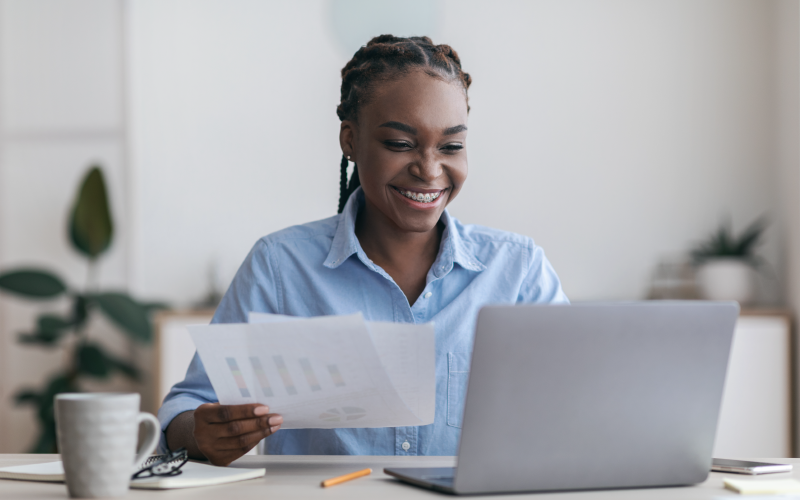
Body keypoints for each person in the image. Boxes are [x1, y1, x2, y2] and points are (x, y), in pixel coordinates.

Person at [159, 35, 568, 466]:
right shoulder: (280, 268)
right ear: (350, 140)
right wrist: (203, 434)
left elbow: (578, 400)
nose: (429, 170)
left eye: (451, 146)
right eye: (399, 143)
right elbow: (185, 412)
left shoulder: (518, 272)